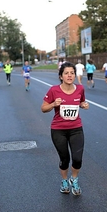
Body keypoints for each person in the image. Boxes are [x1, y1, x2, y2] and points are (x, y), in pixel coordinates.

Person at [41, 62, 89, 195]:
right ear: (61, 76)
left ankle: (74, 179)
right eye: (66, 73)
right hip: (58, 130)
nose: (69, 75)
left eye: (72, 73)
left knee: (78, 158)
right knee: (65, 159)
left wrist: (84, 105)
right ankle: (64, 181)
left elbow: (81, 102)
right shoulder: (53, 90)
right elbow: (43, 108)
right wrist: (52, 104)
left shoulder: (80, 89)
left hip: (76, 129)